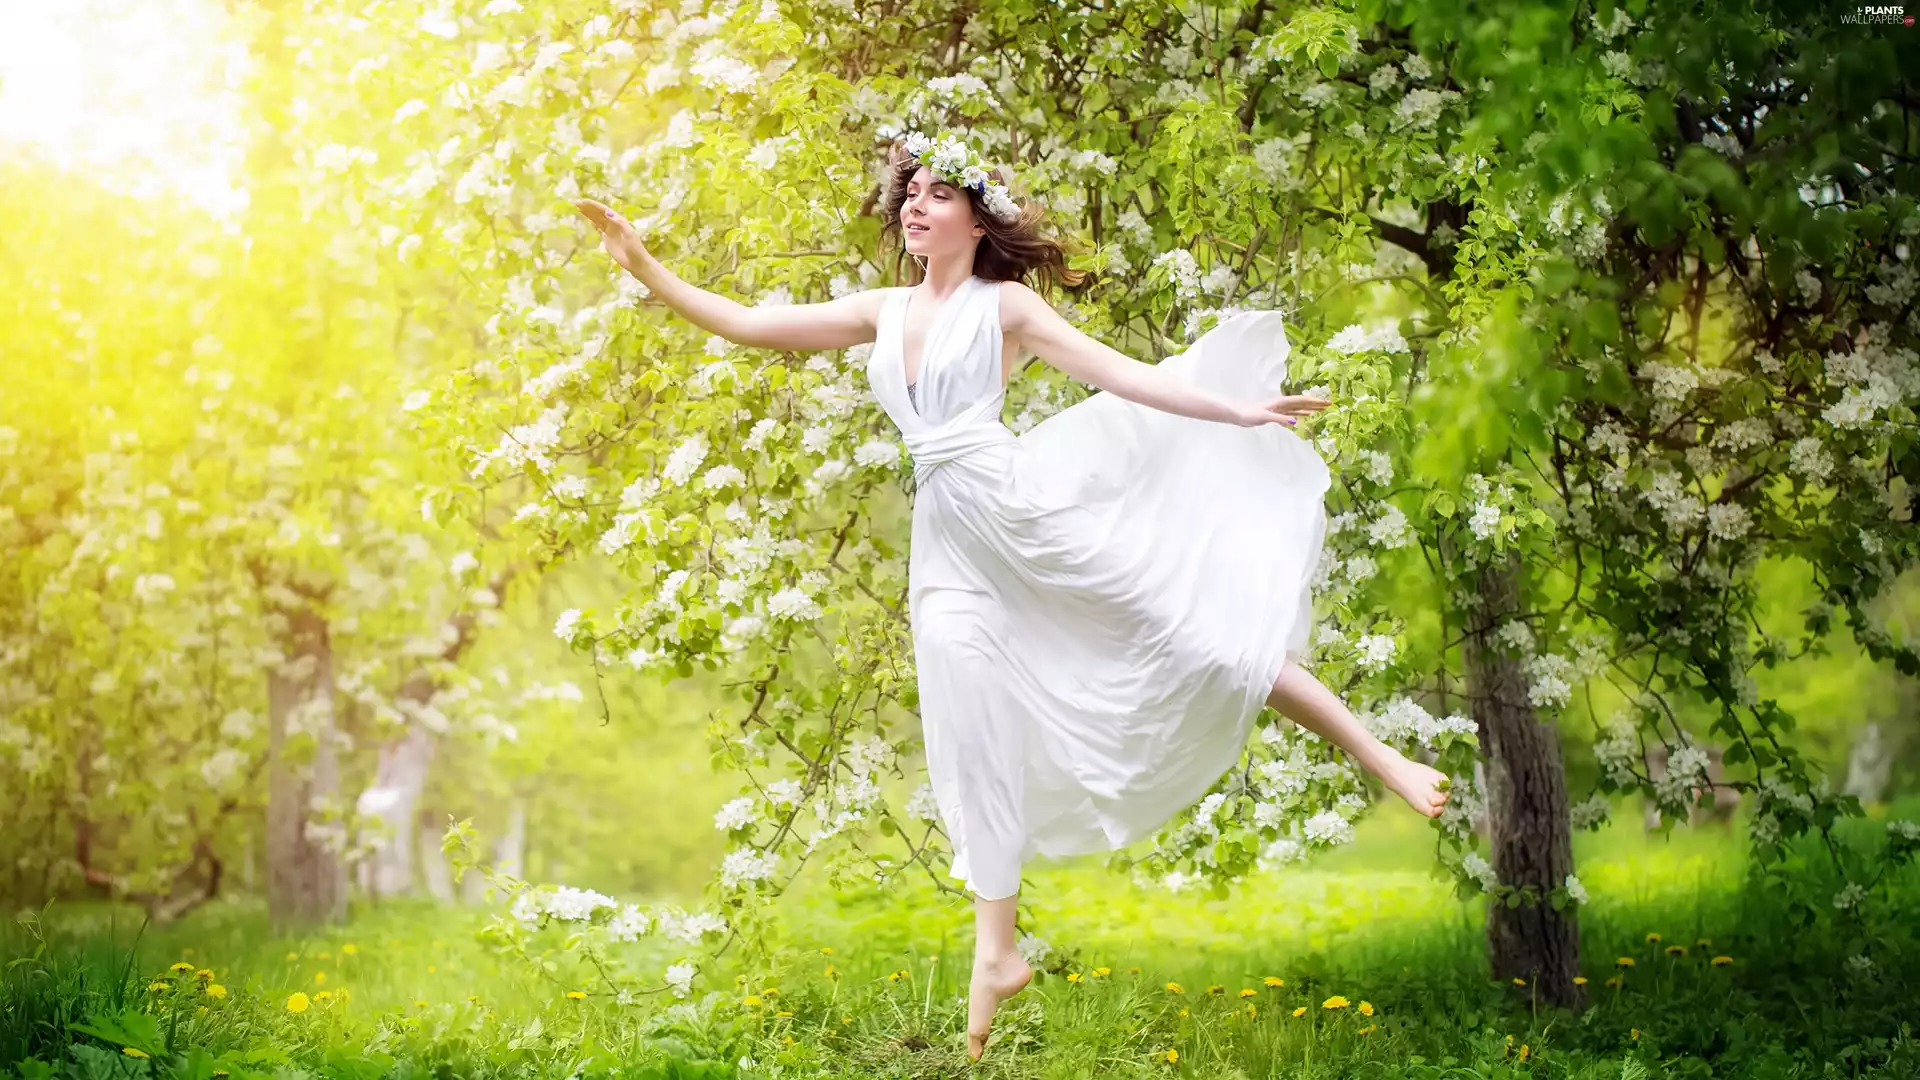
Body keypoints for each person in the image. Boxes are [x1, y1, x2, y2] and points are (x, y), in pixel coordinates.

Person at [575, 129, 1450, 1062]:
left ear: (977, 219)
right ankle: (996, 954)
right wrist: (644, 266)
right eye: (910, 193)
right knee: (970, 723)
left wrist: (1236, 410)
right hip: (948, 545)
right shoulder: (880, 311)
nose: (915, 206)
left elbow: (1125, 377)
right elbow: (750, 321)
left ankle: (1381, 755)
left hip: (1026, 516)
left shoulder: (1008, 308)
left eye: (937, 194)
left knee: (1193, 636)